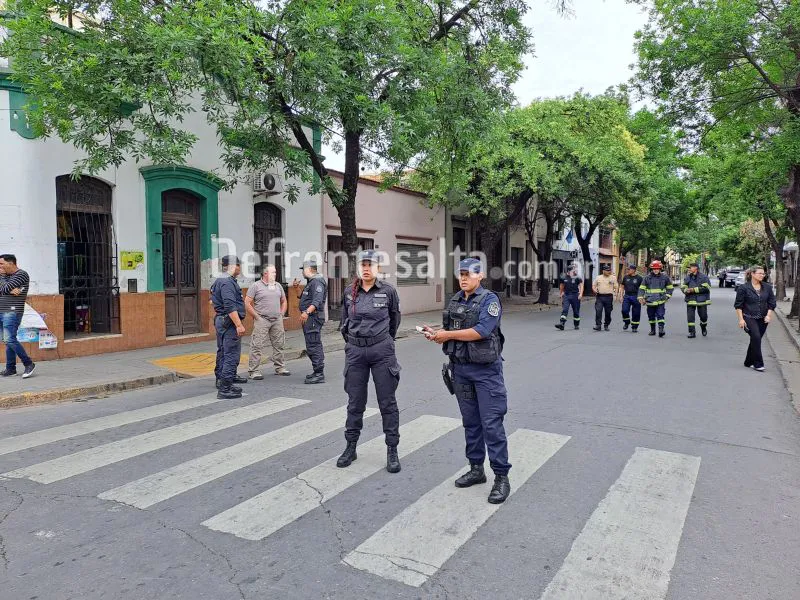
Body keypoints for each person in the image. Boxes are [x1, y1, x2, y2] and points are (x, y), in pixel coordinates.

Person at [426, 258, 511, 505]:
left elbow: (482, 331)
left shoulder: (490, 300)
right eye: (460, 274)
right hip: (461, 370)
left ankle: (501, 477)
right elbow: (449, 329)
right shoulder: (456, 300)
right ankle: (476, 468)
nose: (463, 278)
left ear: (480, 275)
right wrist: (436, 334)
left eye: (468, 274)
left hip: (486, 373)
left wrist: (447, 335)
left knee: (491, 424)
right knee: (471, 423)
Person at [336, 250, 402, 473]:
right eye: (363, 264)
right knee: (355, 402)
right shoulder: (349, 292)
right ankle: (351, 446)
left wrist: (383, 341)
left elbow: (394, 321)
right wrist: (353, 343)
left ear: (378, 269)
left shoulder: (388, 291)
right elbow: (344, 321)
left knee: (387, 402)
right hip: (355, 351)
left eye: (370, 265)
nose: (366, 268)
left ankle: (392, 449)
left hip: (381, 350)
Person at [211, 255, 247, 399]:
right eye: (239, 265)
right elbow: (230, 305)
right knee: (231, 354)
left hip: (222, 320)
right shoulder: (227, 282)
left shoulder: (221, 280)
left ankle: (223, 380)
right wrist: (239, 324)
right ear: (234, 266)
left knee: (223, 351)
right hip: (229, 322)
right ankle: (225, 388)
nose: (240, 268)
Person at [245, 264, 290, 379]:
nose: (275, 274)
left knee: (279, 344)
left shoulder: (278, 286)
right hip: (262, 319)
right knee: (257, 345)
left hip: (277, 320)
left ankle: (280, 367)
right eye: (273, 272)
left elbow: (284, 301)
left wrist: (282, 314)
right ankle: (253, 371)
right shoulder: (256, 286)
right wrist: (256, 316)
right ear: (265, 274)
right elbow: (247, 302)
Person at [734, 266, 776, 372]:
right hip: (748, 317)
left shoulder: (767, 287)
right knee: (756, 337)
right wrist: (741, 319)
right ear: (752, 274)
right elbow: (738, 305)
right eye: (760, 273)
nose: (762, 275)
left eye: (763, 274)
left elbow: (772, 302)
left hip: (763, 319)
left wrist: (768, 315)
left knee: (755, 339)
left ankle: (748, 361)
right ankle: (758, 363)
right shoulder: (743, 288)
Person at [0, 254, 35, 378]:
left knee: (10, 339)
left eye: (1, 264)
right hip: (2, 311)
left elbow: (5, 288)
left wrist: (4, 283)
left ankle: (29, 363)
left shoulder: (21, 274)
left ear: (11, 263)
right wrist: (5, 283)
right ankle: (11, 369)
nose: (0, 267)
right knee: (7, 340)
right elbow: (6, 288)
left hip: (12, 311)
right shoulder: (6, 276)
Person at [293, 260, 327, 384]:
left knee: (314, 344)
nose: (302, 272)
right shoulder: (311, 282)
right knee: (311, 344)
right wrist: (296, 288)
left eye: (303, 269)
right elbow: (302, 297)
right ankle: (316, 371)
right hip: (309, 318)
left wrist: (307, 312)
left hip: (313, 317)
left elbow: (317, 301)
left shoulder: (317, 281)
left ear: (310, 269)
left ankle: (319, 373)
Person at [638, 260, 674, 338]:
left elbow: (670, 288)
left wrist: (667, 296)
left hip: (660, 300)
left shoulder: (665, 277)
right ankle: (653, 330)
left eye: (657, 268)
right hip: (650, 301)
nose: (656, 270)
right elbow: (641, 288)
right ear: (651, 269)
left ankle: (661, 330)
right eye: (654, 268)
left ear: (660, 269)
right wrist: (641, 297)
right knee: (651, 316)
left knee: (660, 315)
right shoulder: (647, 278)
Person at [681, 262, 712, 339]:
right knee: (690, 317)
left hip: (701, 300)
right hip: (690, 300)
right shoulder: (688, 277)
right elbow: (683, 287)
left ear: (696, 268)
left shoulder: (704, 277)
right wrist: (685, 290)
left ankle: (703, 326)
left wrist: (693, 290)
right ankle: (692, 332)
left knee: (703, 317)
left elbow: (707, 288)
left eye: (691, 267)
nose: (689, 269)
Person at [554, 264, 583, 330]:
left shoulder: (577, 277)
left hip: (575, 295)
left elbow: (581, 285)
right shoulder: (564, 277)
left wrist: (580, 294)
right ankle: (562, 324)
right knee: (565, 309)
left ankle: (576, 324)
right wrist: (561, 293)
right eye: (574, 270)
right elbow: (561, 285)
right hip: (566, 295)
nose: (575, 271)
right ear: (569, 271)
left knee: (576, 311)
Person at [592, 264, 618, 331]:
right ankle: (598, 325)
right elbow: (594, 285)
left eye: (609, 270)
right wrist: (595, 291)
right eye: (607, 270)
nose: (609, 272)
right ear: (603, 271)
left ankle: (606, 325)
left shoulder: (613, 278)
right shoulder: (598, 277)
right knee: (598, 311)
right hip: (600, 297)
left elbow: (616, 287)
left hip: (609, 297)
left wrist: (615, 295)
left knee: (608, 312)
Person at [620, 264, 643, 332]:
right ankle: (627, 322)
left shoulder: (639, 278)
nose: (628, 270)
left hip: (636, 296)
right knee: (624, 310)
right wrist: (621, 296)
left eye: (629, 269)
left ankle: (634, 326)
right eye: (627, 269)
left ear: (633, 270)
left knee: (636, 312)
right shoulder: (626, 277)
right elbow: (622, 286)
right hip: (627, 296)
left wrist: (642, 297)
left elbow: (642, 289)